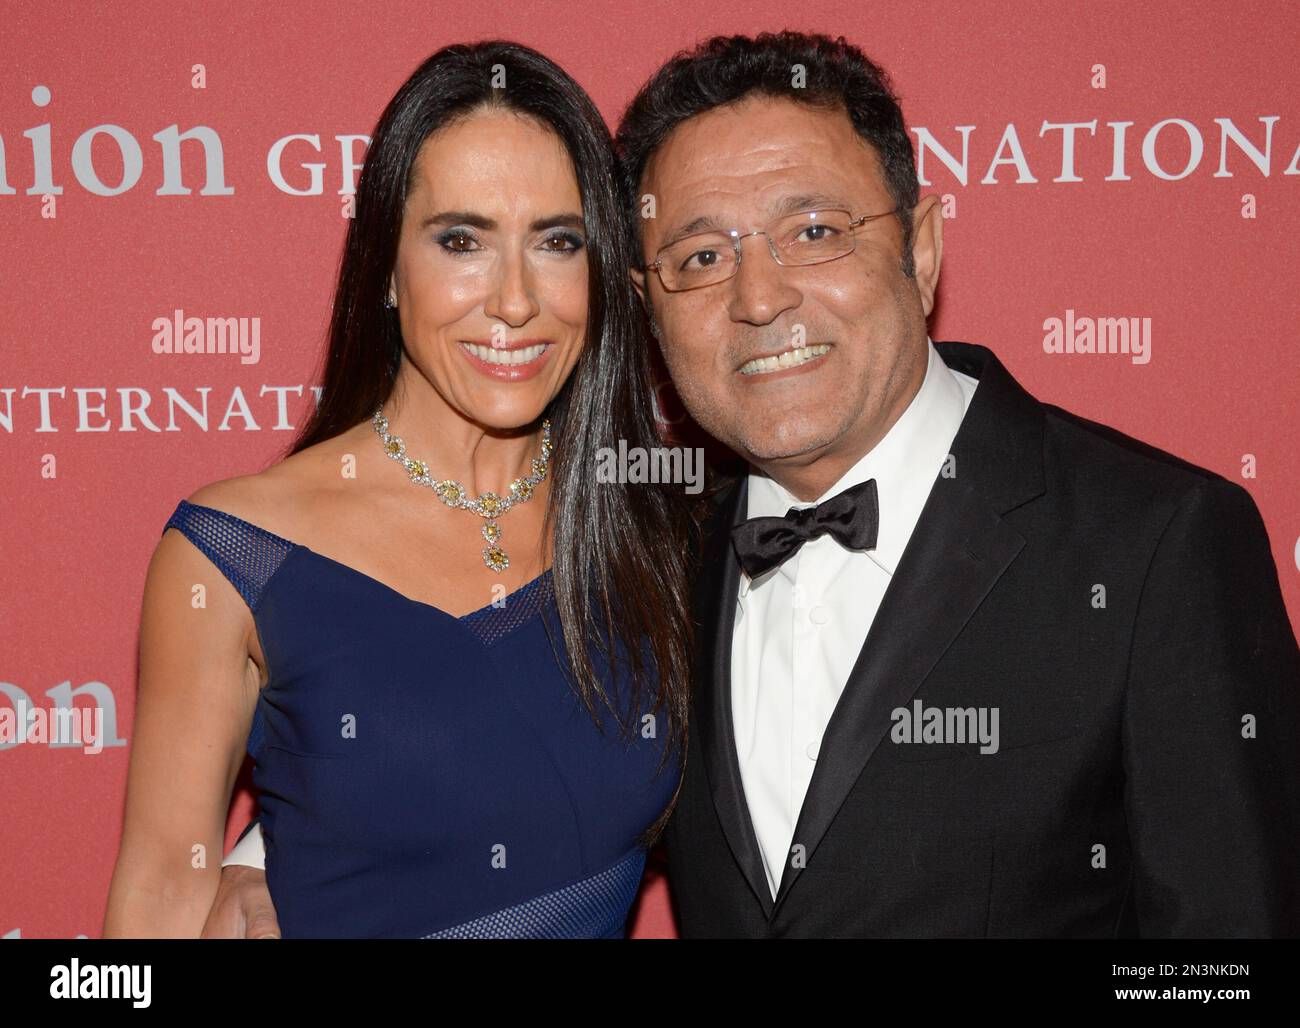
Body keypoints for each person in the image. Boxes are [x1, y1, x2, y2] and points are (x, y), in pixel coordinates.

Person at [210, 31, 1300, 938]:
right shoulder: (640, 550)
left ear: (919, 251)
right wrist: (273, 862)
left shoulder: (1154, 541)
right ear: (644, 303)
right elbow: (487, 754)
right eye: (699, 257)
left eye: (814, 232)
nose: (759, 297)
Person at [102, 40, 692, 939]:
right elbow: (152, 910)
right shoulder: (232, 556)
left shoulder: (654, 523)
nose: (516, 301)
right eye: (461, 241)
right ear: (385, 264)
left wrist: (261, 857)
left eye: (557, 242)